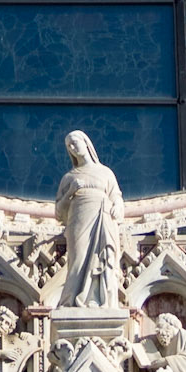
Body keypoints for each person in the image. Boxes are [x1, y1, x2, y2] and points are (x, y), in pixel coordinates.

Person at [56, 131, 124, 308]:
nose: (71, 147)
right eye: (68, 146)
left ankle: (98, 298)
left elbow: (116, 195)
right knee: (78, 259)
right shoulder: (69, 178)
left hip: (103, 217)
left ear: (86, 143)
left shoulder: (105, 172)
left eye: (74, 142)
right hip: (79, 220)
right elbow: (58, 212)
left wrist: (117, 205)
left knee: (103, 257)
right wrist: (70, 192)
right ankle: (71, 300)